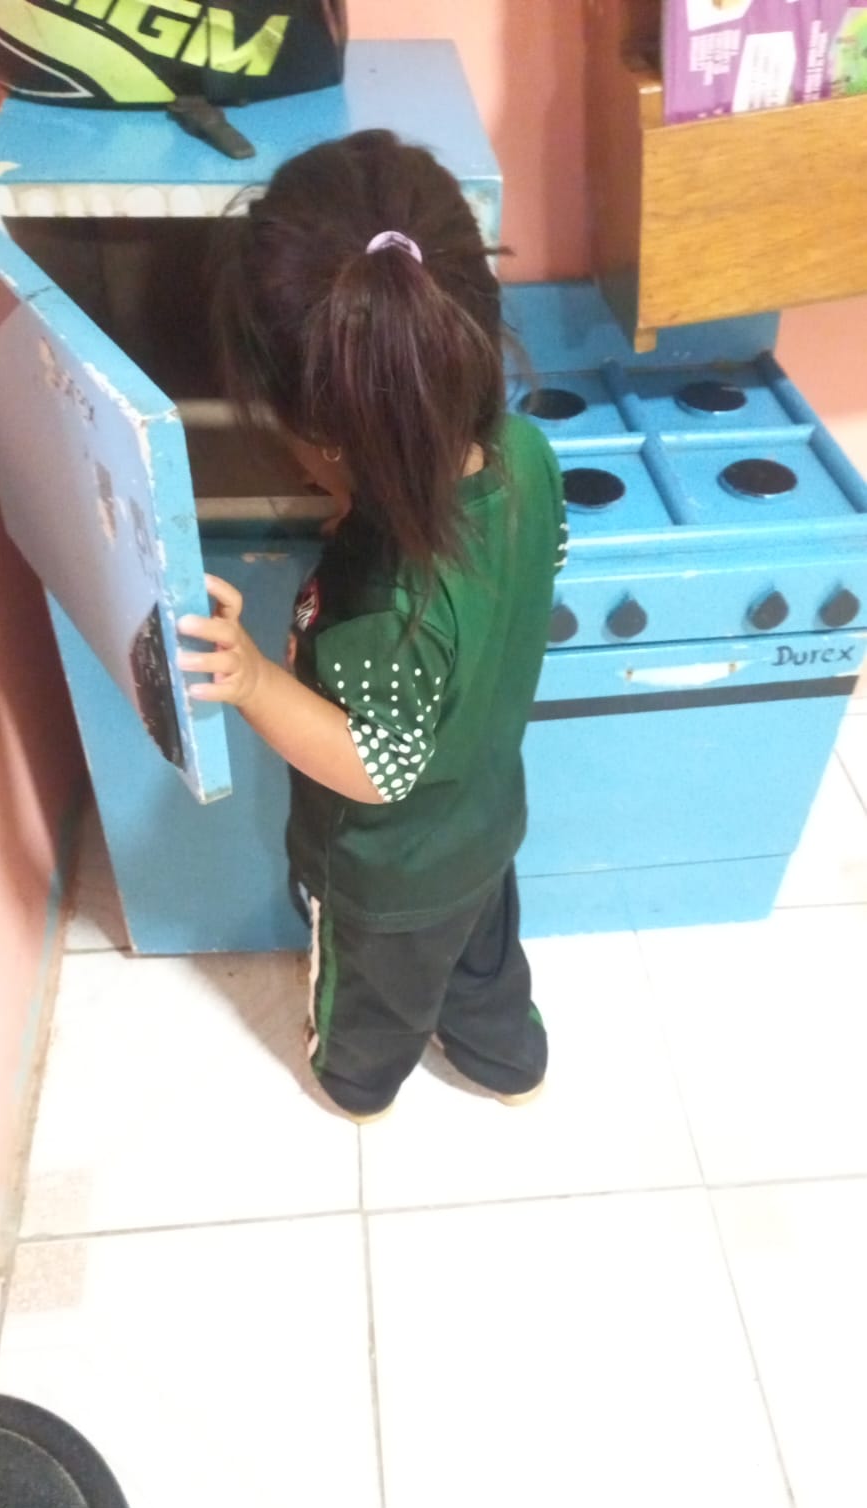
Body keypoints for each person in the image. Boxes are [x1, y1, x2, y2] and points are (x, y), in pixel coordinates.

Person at [178, 130, 567, 1123]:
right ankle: (508, 1064)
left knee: (371, 1004)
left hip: (388, 880)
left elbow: (376, 769)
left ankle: (359, 1088)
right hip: (486, 824)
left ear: (326, 434)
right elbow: (543, 566)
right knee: (485, 966)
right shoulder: (526, 455)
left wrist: (255, 680)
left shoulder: (384, 612)